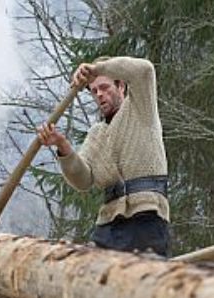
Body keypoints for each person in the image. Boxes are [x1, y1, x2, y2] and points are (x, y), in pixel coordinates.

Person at [37, 56, 170, 257]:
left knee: (139, 279)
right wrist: (62, 146)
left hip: (147, 217)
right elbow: (83, 180)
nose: (99, 94)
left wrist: (96, 69)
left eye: (105, 87)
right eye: (94, 91)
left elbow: (145, 70)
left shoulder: (141, 108)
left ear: (121, 86)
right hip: (107, 225)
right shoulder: (96, 134)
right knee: (93, 278)